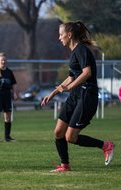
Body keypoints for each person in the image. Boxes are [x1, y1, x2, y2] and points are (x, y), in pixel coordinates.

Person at [41, 21, 114, 172]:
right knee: (58, 132)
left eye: (61, 35)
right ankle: (65, 166)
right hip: (76, 95)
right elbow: (71, 77)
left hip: (87, 95)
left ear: (69, 35)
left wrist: (68, 87)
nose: (59, 38)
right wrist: (53, 94)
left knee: (70, 137)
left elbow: (87, 73)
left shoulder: (81, 50)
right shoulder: (74, 52)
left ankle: (105, 146)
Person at [0, 52, 17, 143]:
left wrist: (14, 93)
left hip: (7, 95)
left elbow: (13, 83)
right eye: (2, 60)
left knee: (8, 117)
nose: (3, 61)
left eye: (5, 60)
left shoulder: (9, 72)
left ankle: (7, 137)